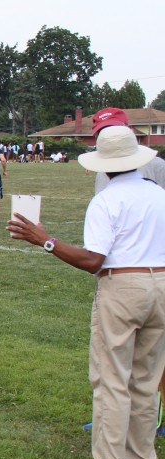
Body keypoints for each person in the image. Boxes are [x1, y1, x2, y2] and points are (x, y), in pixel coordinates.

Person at [7, 125, 165, 459]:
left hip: (123, 287)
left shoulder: (107, 200)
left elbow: (94, 259)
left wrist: (45, 240)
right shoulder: (159, 193)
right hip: (161, 284)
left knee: (112, 381)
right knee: (144, 383)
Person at [89, 108, 165, 438]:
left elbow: (93, 257)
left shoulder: (156, 169)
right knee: (131, 369)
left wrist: (46, 241)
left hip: (135, 276)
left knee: (122, 372)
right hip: (133, 275)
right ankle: (135, 449)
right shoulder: (107, 174)